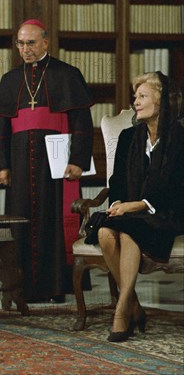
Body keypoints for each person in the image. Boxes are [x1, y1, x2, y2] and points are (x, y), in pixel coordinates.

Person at [0, 19, 94, 303]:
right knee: (20, 220)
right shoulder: (10, 80)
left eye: (31, 43)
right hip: (20, 162)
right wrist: (2, 166)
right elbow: (1, 130)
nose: (25, 49)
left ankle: (56, 286)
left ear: (46, 42)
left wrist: (78, 160)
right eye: (20, 44)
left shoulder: (67, 74)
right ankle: (21, 287)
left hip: (55, 163)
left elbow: (82, 122)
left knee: (54, 220)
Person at [95, 72, 184, 342]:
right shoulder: (127, 138)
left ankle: (122, 312)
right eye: (135, 97)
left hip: (168, 213)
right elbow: (116, 182)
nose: (136, 102)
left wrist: (138, 205)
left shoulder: (180, 139)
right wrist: (120, 203)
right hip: (132, 212)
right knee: (103, 231)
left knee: (128, 230)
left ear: (162, 102)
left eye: (143, 96)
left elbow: (177, 190)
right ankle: (133, 304)